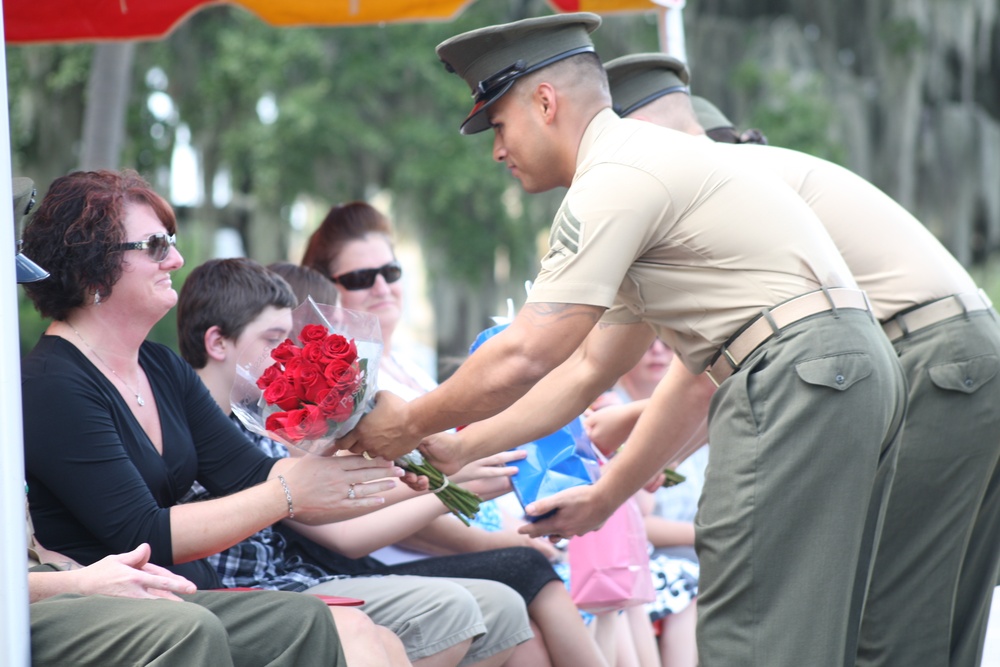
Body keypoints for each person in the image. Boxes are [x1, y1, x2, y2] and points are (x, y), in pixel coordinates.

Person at [337, 13, 908, 667]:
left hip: (798, 373)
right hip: (844, 368)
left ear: (545, 102)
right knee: (809, 628)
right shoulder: (653, 168)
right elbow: (583, 374)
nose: (497, 150)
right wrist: (459, 447)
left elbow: (530, 349)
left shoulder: (612, 177)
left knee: (752, 630)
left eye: (498, 125)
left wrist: (408, 423)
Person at [605, 51, 1000, 667]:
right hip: (962, 357)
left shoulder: (716, 186)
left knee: (882, 625)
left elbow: (720, 370)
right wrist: (644, 439)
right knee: (939, 624)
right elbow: (739, 369)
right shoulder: (762, 174)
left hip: (927, 364)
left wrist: (622, 474)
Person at [19, 169, 411, 667]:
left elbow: (254, 472)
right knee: (346, 631)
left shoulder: (160, 366)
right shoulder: (52, 384)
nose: (177, 259)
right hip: (118, 611)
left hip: (184, 597)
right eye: (157, 246)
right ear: (95, 268)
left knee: (355, 629)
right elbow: (144, 533)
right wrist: (287, 496)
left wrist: (394, 457)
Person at [178, 255, 533, 667]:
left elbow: (327, 499)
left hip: (289, 577)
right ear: (217, 342)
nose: (286, 355)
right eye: (274, 340)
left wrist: (415, 468)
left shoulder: (257, 421)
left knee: (501, 606)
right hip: (246, 592)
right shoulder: (203, 422)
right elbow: (334, 522)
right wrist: (443, 487)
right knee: (460, 605)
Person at [298, 203, 609, 667]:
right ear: (329, 292)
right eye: (361, 278)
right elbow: (401, 504)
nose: (382, 287)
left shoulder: (412, 364)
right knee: (528, 574)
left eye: (390, 270)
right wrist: (502, 537)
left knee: (601, 575)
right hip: (393, 554)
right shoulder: (346, 383)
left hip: (468, 529)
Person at [586, 339, 700, 667]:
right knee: (693, 575)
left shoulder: (695, 413)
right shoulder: (605, 412)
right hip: (647, 551)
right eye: (647, 343)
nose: (658, 352)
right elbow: (635, 518)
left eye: (669, 343)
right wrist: (712, 534)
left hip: (679, 546)